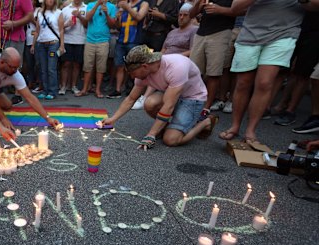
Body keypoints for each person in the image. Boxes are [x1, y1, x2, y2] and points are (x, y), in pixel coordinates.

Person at [218, 0, 305, 144]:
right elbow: (235, 8)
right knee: (243, 83)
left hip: (284, 33)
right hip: (250, 33)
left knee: (264, 83)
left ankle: (251, 130)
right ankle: (235, 126)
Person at [102, 45, 217, 150]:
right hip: (171, 94)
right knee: (150, 103)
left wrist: (151, 134)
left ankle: (205, 122)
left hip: (192, 98)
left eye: (132, 73)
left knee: (171, 140)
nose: (132, 76)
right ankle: (165, 128)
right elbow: (131, 99)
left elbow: (169, 105)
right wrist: (113, 119)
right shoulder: (142, 73)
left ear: (145, 66)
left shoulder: (176, 67)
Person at [0, 47, 61, 129]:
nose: (15, 71)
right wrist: (3, 119)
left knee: (7, 105)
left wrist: (48, 118)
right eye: (12, 68)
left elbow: (30, 98)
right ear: (1, 62)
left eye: (17, 68)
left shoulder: (15, 74)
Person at [189, 0, 236, 116]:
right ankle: (190, 101)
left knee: (214, 73)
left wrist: (220, 10)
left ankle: (206, 107)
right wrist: (198, 3)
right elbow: (191, 14)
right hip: (201, 32)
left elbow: (240, 11)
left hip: (221, 32)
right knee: (193, 71)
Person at [75, 0, 117, 98]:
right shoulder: (91, 5)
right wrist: (97, 5)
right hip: (90, 40)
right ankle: (85, 89)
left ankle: (98, 90)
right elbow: (87, 19)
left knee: (101, 67)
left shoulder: (112, 7)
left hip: (103, 40)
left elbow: (112, 25)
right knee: (87, 66)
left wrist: (106, 13)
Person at [107, 0, 149, 99]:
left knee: (134, 66)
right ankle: (117, 90)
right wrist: (117, 19)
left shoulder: (143, 4)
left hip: (134, 40)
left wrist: (127, 7)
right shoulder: (125, 5)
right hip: (121, 40)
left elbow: (139, 17)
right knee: (119, 65)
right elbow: (118, 27)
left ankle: (132, 90)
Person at [32, 0, 63, 100]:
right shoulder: (40, 13)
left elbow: (61, 30)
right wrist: (33, 44)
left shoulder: (58, 12)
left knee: (51, 68)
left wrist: (62, 45)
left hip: (53, 43)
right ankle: (45, 90)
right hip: (41, 43)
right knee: (43, 68)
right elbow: (37, 31)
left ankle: (52, 91)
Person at [58, 0, 86, 95]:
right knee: (65, 64)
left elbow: (87, 24)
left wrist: (79, 16)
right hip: (67, 40)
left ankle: (74, 86)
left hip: (80, 40)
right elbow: (59, 26)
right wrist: (67, 24)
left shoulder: (86, 8)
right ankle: (63, 86)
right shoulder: (65, 9)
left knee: (77, 65)